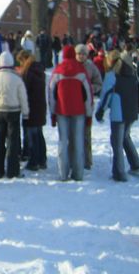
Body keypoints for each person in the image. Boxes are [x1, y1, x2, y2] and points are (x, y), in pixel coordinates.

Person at [95, 50, 139, 181]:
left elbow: (106, 95)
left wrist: (100, 112)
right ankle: (136, 163)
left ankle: (119, 172)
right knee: (125, 138)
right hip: (131, 112)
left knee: (116, 141)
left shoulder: (112, 76)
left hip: (118, 113)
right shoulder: (132, 75)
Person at [48, 45, 93, 181]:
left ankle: (63, 173)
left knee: (63, 141)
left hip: (62, 110)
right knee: (78, 141)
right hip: (78, 111)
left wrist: (53, 113)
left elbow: (51, 94)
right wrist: (89, 113)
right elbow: (88, 95)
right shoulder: (81, 70)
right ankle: (78, 174)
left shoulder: (58, 70)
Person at [0, 51, 29, 179]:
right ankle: (13, 170)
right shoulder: (17, 79)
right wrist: (25, 113)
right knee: (13, 141)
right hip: (13, 112)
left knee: (0, 141)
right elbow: (23, 97)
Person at [16, 50, 47, 171]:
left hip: (30, 107)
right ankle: (42, 159)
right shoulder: (39, 70)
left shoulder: (28, 73)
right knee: (39, 133)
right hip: (40, 106)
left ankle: (33, 161)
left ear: (24, 59)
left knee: (32, 134)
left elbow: (24, 90)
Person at [74, 44, 102, 170]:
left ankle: (87, 160)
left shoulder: (91, 67)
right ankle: (74, 158)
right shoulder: (71, 66)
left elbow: (98, 82)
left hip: (87, 104)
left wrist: (91, 88)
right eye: (79, 54)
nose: (81, 56)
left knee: (86, 133)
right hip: (73, 105)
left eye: (83, 54)